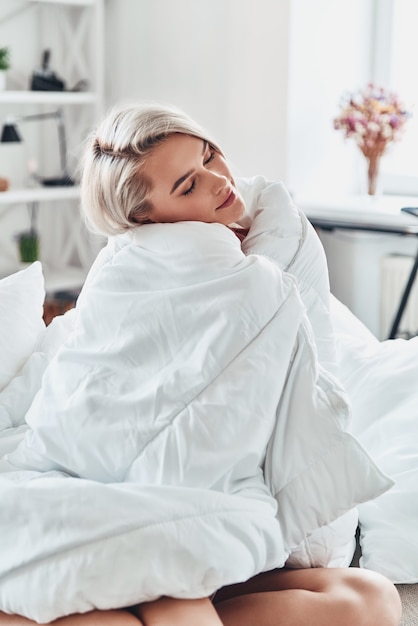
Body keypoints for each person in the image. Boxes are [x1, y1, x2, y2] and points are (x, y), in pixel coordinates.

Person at [0, 103, 402, 626]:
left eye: (210, 155)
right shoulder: (125, 265)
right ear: (145, 218)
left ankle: (136, 586)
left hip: (215, 503)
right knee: (163, 598)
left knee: (370, 598)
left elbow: (292, 380)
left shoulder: (275, 241)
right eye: (188, 186)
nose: (218, 182)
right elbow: (91, 387)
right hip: (108, 493)